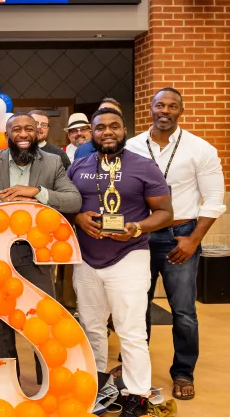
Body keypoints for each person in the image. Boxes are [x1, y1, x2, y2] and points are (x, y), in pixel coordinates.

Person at [68, 108, 173, 417]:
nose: (108, 131)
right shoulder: (78, 166)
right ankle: (97, 387)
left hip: (129, 256)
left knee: (131, 330)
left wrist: (137, 228)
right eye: (101, 127)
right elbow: (68, 204)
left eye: (114, 126)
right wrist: (77, 217)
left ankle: (138, 396)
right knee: (91, 328)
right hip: (86, 260)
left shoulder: (144, 166)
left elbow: (165, 213)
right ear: (92, 132)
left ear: (124, 130)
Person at [0, 112, 82, 384]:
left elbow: (74, 200)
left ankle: (47, 382)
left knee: (43, 321)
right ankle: (10, 381)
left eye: (29, 129)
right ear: (7, 135)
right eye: (16, 129)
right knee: (1, 322)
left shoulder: (53, 164)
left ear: (38, 133)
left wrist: (37, 193)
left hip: (38, 258)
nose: (23, 134)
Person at [126, 87, 226, 401]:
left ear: (180, 112)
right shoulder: (131, 146)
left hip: (178, 237)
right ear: (150, 108)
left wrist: (193, 239)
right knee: (135, 307)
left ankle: (183, 372)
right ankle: (133, 367)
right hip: (138, 236)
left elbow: (213, 200)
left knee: (182, 310)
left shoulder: (200, 148)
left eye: (172, 106)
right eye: (160, 105)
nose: (165, 111)